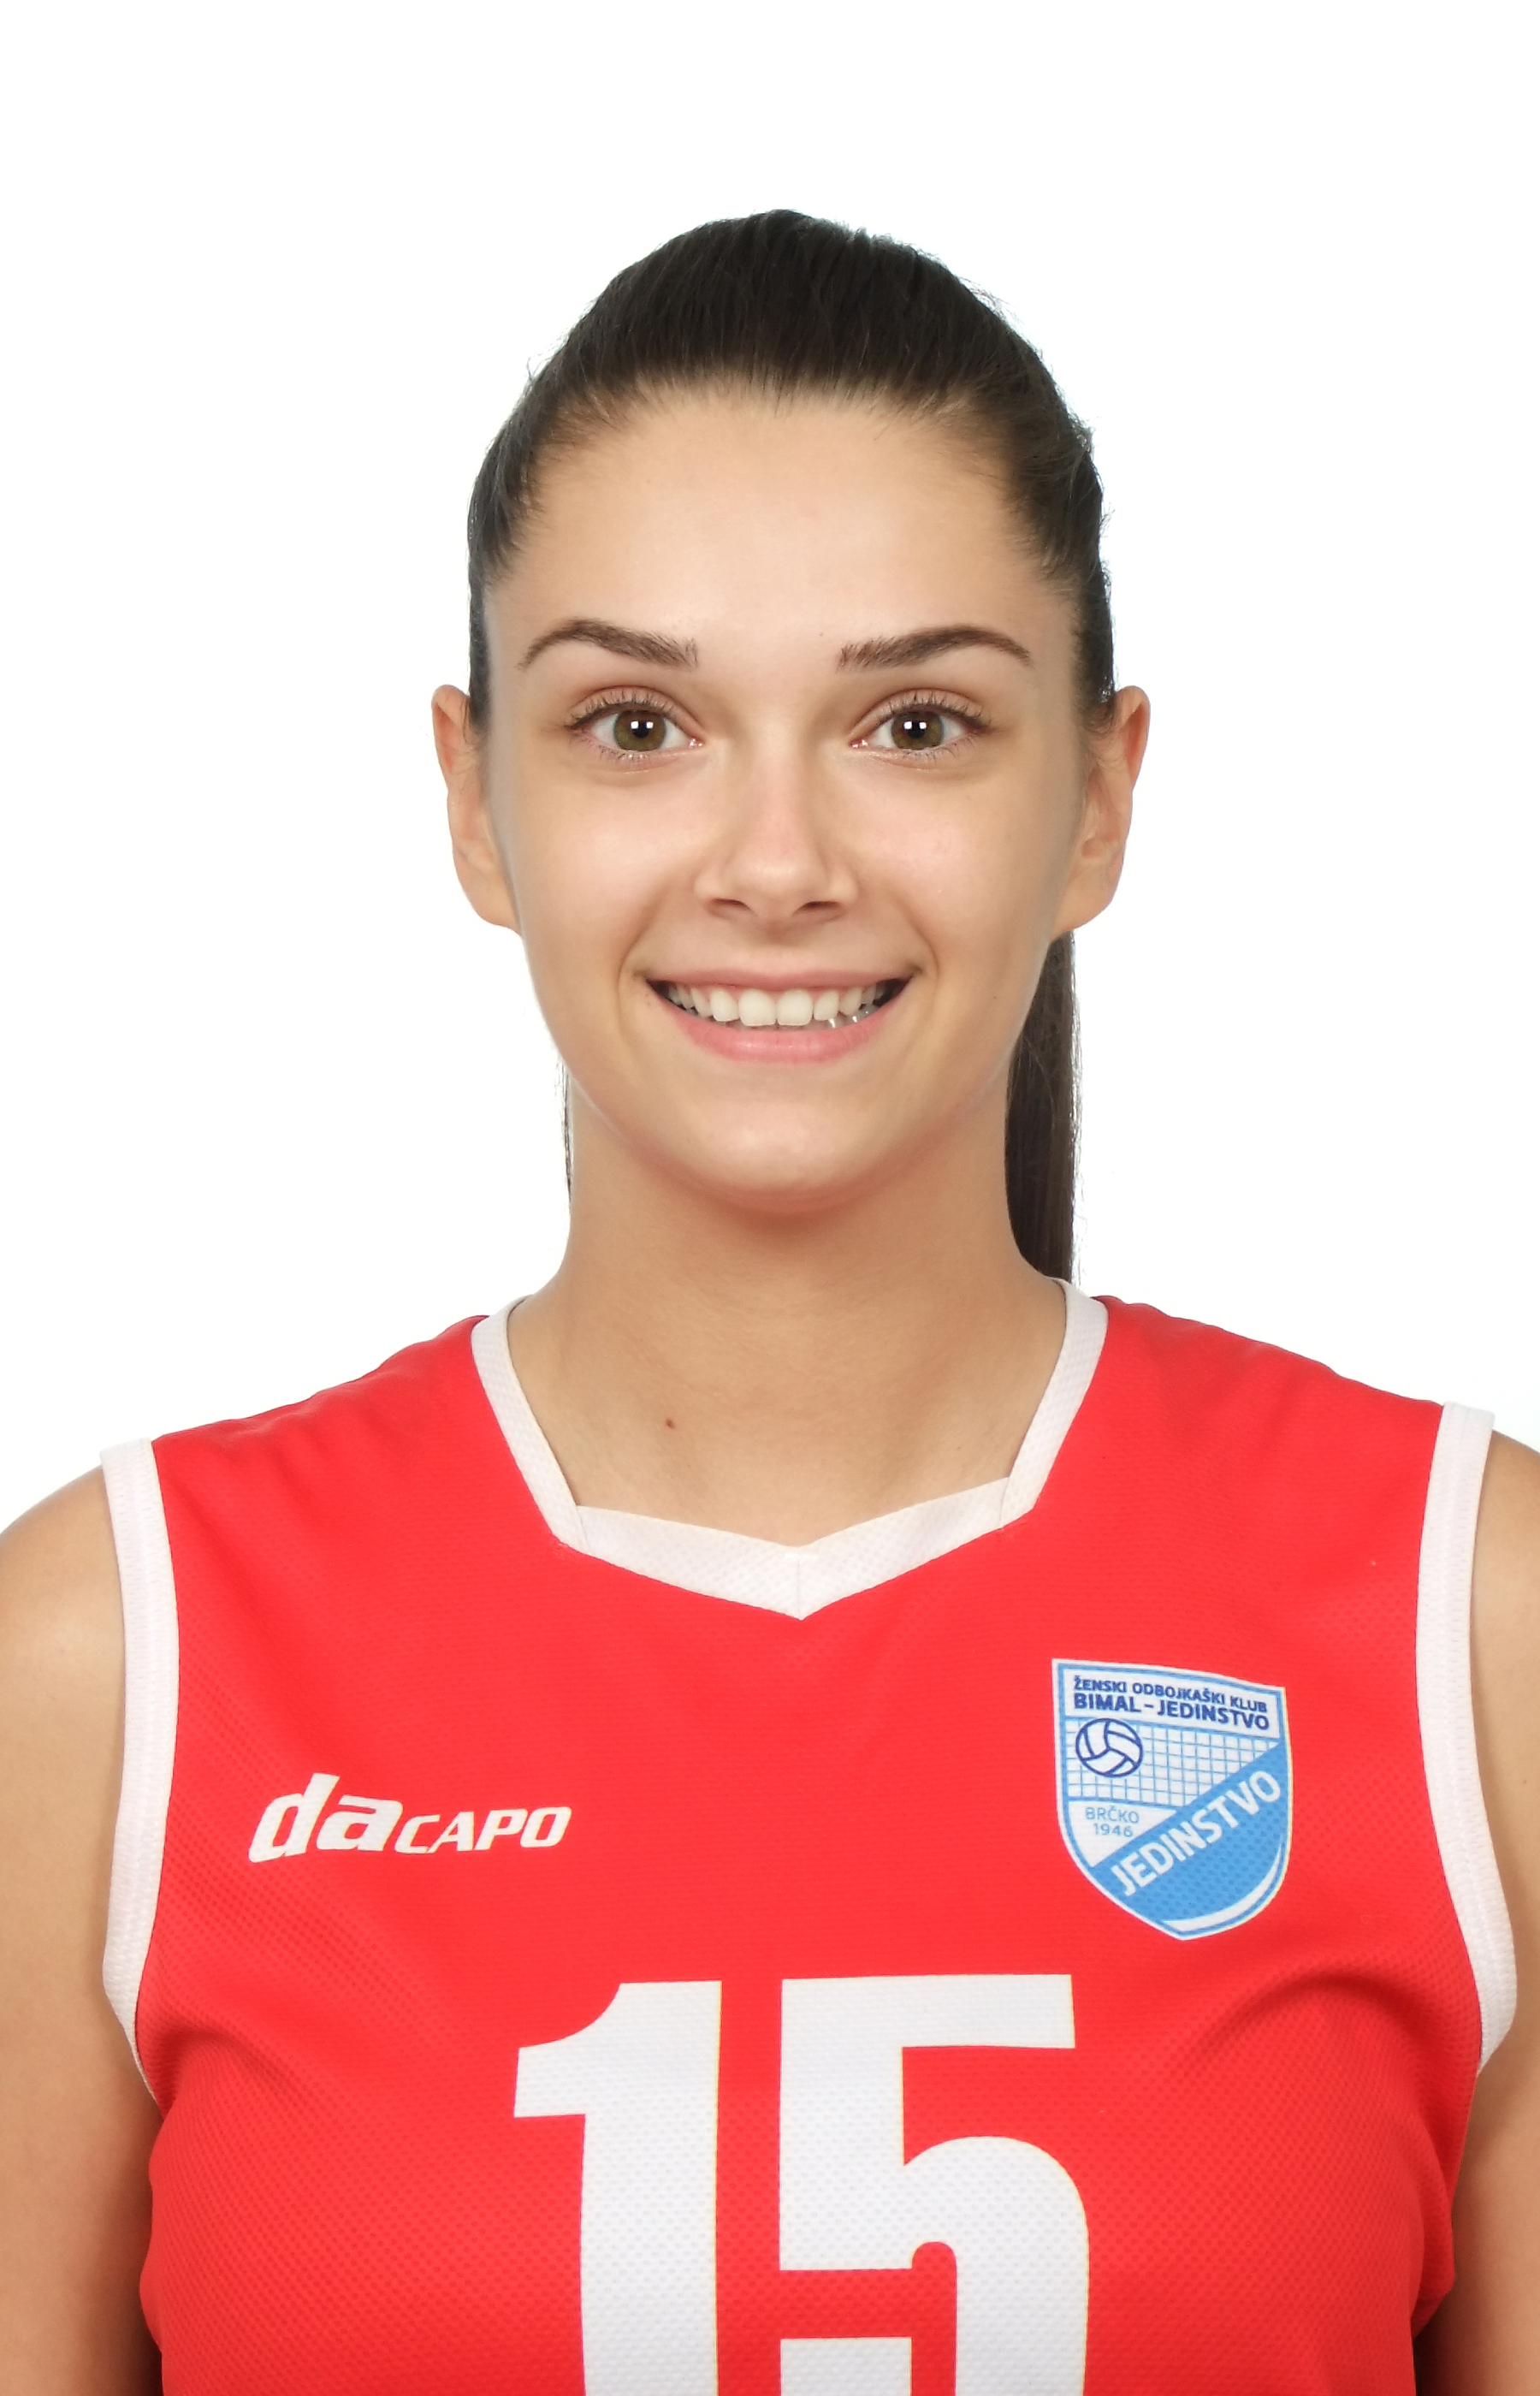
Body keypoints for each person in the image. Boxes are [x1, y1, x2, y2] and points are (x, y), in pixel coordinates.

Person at [0, 210, 1535, 2396]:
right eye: (638, 723)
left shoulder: (1469, 1628)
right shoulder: (114, 1659)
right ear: (476, 803)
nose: (779, 859)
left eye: (917, 721)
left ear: (1099, 798)